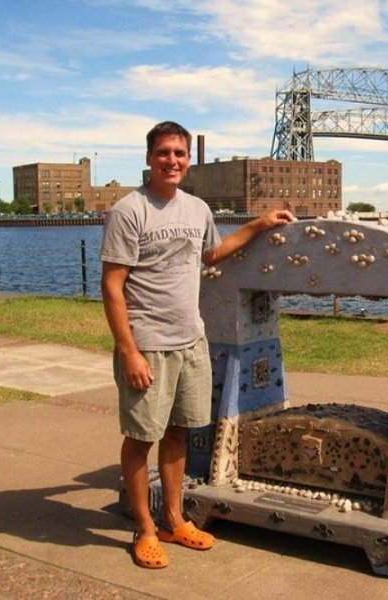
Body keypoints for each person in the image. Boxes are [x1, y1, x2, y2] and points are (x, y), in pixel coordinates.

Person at [100, 121, 294, 569]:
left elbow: (211, 253)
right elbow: (112, 288)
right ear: (149, 158)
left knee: (180, 432)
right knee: (139, 438)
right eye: (164, 152)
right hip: (147, 344)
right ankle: (145, 530)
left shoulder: (197, 209)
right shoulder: (129, 211)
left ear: (189, 160)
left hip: (191, 341)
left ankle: (173, 519)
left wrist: (259, 225)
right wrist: (129, 351)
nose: (172, 161)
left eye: (180, 154)